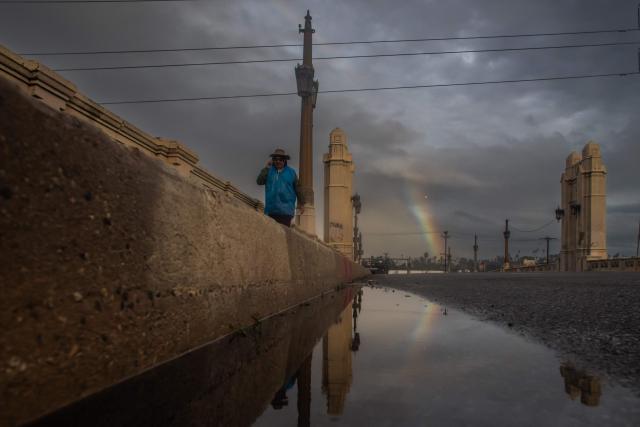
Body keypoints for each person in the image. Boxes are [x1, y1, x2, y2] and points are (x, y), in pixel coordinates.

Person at [256, 148, 304, 227]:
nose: (278, 161)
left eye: (280, 159)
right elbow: (259, 181)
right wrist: (266, 168)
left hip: (285, 212)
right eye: (275, 159)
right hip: (270, 210)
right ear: (273, 160)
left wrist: (302, 204)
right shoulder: (268, 171)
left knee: (282, 235)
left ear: (284, 160)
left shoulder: (291, 173)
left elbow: (298, 188)